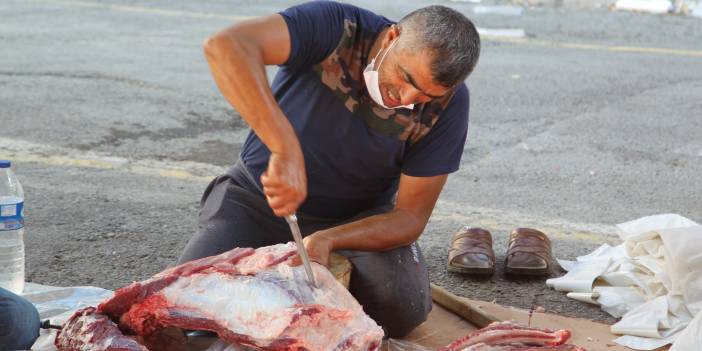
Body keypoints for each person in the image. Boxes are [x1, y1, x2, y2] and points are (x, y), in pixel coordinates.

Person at [178, 0, 480, 337]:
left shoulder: (451, 105)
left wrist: (329, 239)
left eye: (423, 95)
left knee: (401, 308)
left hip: (357, 217)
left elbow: (410, 216)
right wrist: (284, 146)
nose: (405, 96)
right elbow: (226, 46)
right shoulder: (337, 27)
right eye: (405, 77)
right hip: (256, 198)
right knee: (185, 306)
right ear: (392, 37)